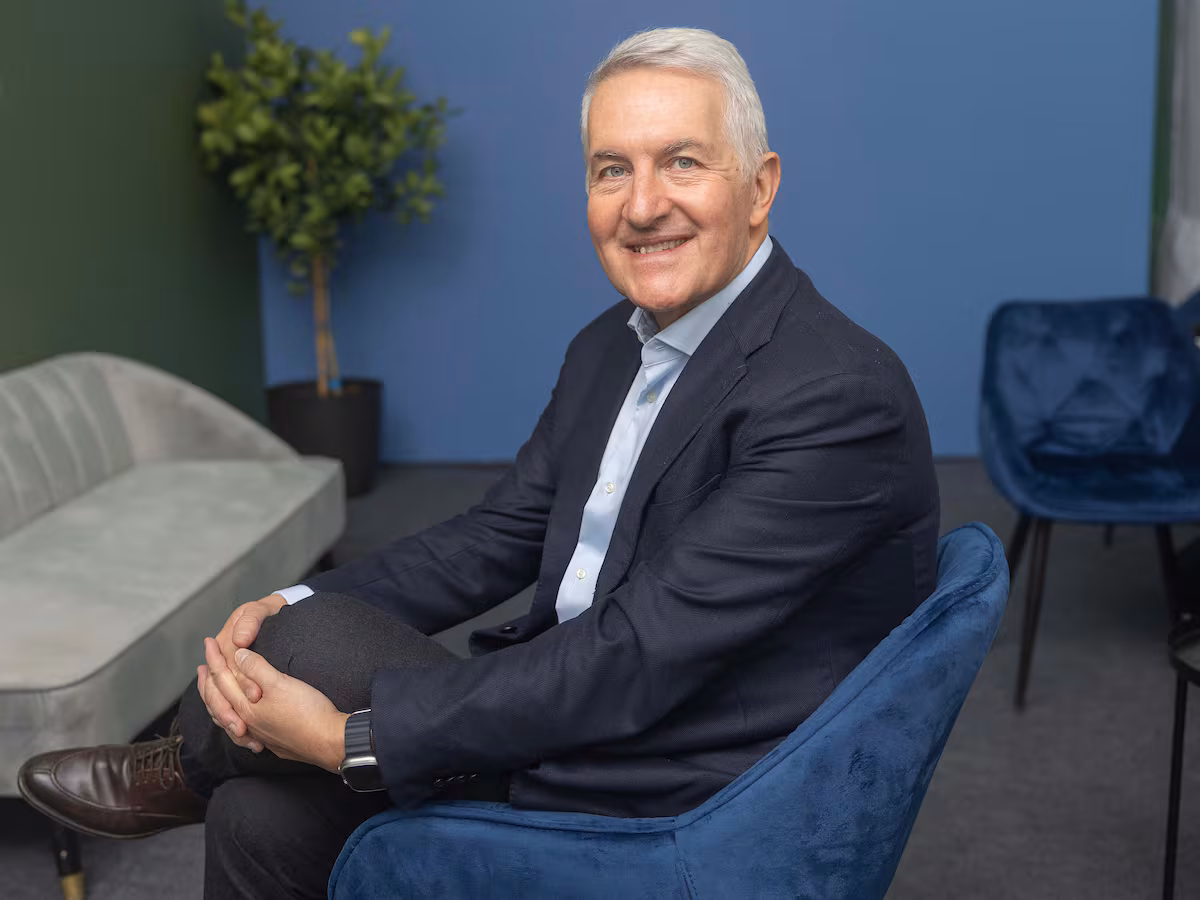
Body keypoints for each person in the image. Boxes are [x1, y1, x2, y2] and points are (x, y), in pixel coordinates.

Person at [18, 26, 940, 899]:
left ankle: (182, 768)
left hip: (674, 788)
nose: (642, 205)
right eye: (612, 169)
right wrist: (285, 599)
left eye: (682, 162)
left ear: (761, 186)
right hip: (573, 712)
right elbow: (495, 534)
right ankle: (212, 766)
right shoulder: (610, 346)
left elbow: (636, 655)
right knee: (258, 807)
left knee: (310, 644)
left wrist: (349, 740)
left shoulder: (834, 395)